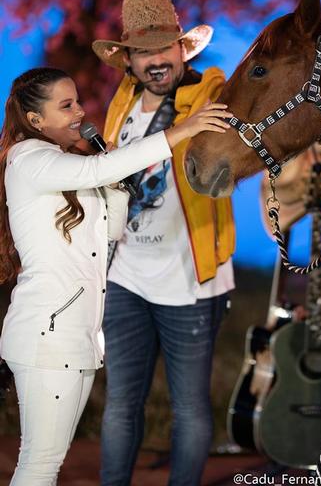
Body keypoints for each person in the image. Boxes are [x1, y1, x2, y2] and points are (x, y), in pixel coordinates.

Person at [0, 67, 231, 486]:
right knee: (39, 464)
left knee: (45, 461)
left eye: (78, 102)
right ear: (35, 120)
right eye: (65, 105)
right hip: (48, 338)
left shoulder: (66, 164)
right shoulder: (29, 158)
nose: (80, 113)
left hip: (76, 338)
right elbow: (94, 174)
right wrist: (183, 130)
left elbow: (110, 234)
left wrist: (118, 186)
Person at [91, 0, 236, 486]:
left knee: (190, 409)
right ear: (128, 60)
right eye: (142, 52)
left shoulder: (211, 96)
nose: (155, 61)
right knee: (121, 405)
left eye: (163, 49)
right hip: (126, 277)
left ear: (182, 50)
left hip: (190, 281)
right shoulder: (123, 100)